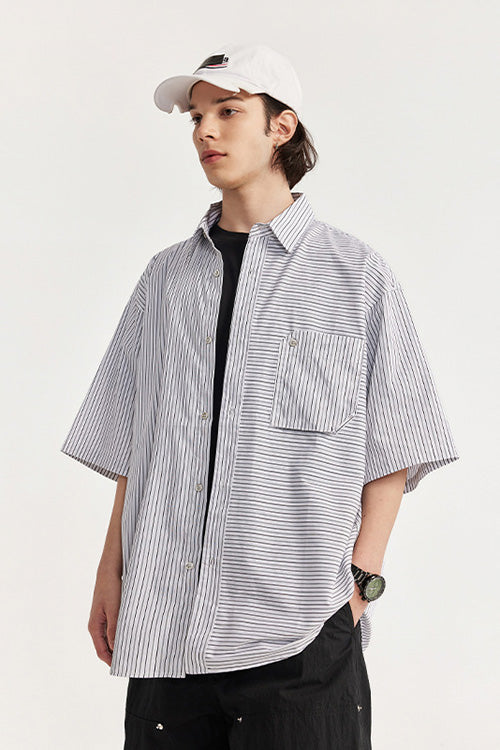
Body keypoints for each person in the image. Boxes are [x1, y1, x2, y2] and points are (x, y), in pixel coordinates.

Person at [60, 42, 460, 749]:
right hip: (167, 631)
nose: (205, 132)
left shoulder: (355, 276)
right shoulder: (165, 281)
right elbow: (134, 442)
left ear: (282, 127)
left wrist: (360, 585)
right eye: (196, 117)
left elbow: (396, 445)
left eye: (228, 111)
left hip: (300, 630)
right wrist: (110, 571)